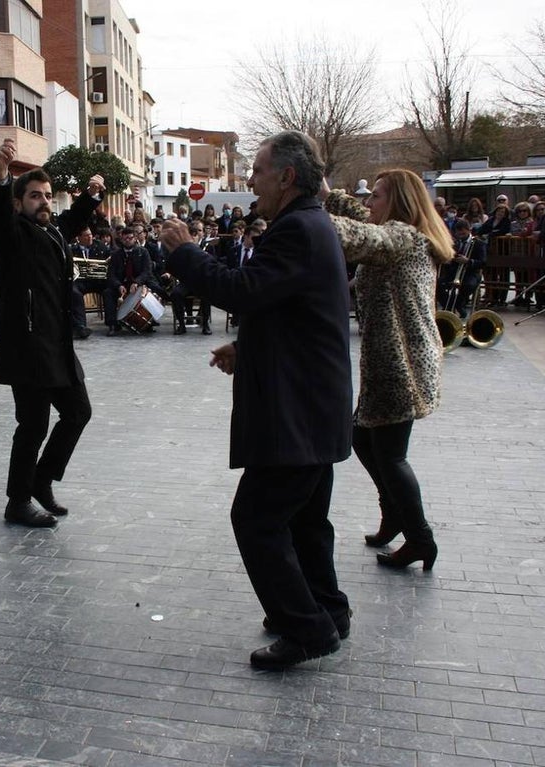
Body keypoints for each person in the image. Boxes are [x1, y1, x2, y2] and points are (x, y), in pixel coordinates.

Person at [159, 130, 352, 671]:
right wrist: (247, 349)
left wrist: (186, 254)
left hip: (298, 412)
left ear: (287, 177)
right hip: (313, 405)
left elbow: (243, 290)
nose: (251, 180)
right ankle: (326, 609)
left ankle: (307, 628)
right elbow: (291, 312)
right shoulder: (309, 224)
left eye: (260, 171)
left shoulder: (297, 229)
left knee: (258, 519)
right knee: (305, 521)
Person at [322, 168, 453, 573]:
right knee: (362, 437)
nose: (369, 203)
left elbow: (361, 236)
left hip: (403, 365)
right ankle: (394, 512)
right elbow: (363, 222)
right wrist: (326, 193)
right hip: (387, 361)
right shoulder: (399, 234)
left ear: (398, 202)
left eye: (376, 195)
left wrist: (310, 214)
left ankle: (420, 538)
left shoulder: (405, 239)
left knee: (391, 456)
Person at [0, 138, 102, 528]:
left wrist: (89, 196)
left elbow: (68, 224)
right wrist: (1, 177)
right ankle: (17, 502)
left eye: (48, 195)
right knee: (32, 426)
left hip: (58, 346)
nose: (44, 201)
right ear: (19, 202)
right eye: (35, 196)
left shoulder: (50, 231)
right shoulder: (11, 233)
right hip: (28, 347)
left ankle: (40, 480)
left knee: (78, 412)